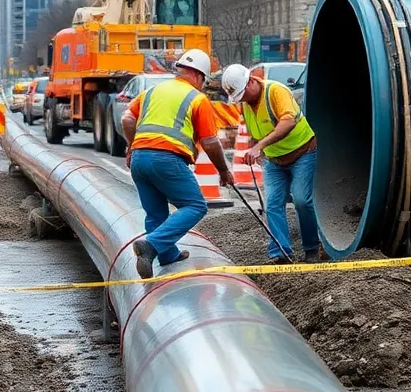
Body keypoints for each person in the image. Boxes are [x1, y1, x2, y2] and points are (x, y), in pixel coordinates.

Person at [121, 48, 233, 279]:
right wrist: (223, 170)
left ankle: (165, 255)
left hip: (140, 158)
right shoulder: (197, 99)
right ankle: (151, 246)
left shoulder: (152, 91)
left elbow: (127, 118)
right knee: (195, 206)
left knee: (155, 213)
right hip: (166, 159)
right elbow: (210, 142)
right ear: (199, 76)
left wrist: (132, 146)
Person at [221, 64, 322, 264]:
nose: (241, 99)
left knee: (301, 200)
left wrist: (260, 146)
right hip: (274, 161)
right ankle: (281, 253)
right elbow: (254, 130)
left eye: (242, 93)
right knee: (273, 205)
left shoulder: (275, 91)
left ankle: (312, 248)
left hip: (302, 152)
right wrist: (256, 149)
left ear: (251, 81)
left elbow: (288, 121)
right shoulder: (247, 104)